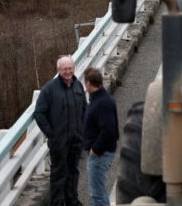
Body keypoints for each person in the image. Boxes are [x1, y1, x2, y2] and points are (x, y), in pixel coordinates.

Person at [34, 56, 87, 206]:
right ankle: (57, 203)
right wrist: (51, 134)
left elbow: (84, 108)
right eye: (65, 69)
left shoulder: (78, 86)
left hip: (76, 140)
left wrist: (82, 130)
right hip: (59, 141)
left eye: (70, 68)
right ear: (59, 70)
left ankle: (72, 200)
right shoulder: (49, 89)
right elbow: (39, 113)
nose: (68, 71)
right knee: (58, 174)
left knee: (73, 172)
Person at [83, 67, 119, 206]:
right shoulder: (100, 99)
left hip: (100, 154)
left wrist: (96, 149)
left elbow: (109, 131)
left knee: (97, 195)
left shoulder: (102, 102)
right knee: (99, 192)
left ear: (88, 83)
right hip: (100, 152)